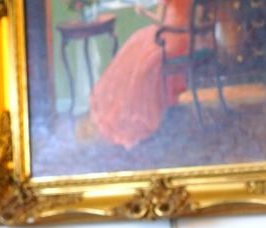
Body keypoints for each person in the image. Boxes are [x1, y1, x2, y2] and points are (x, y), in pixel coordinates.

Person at [78, 0, 191, 150]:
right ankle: (152, 109)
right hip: (185, 38)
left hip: (169, 36)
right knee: (136, 48)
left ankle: (139, 114)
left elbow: (161, 20)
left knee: (140, 61)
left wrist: (144, 12)